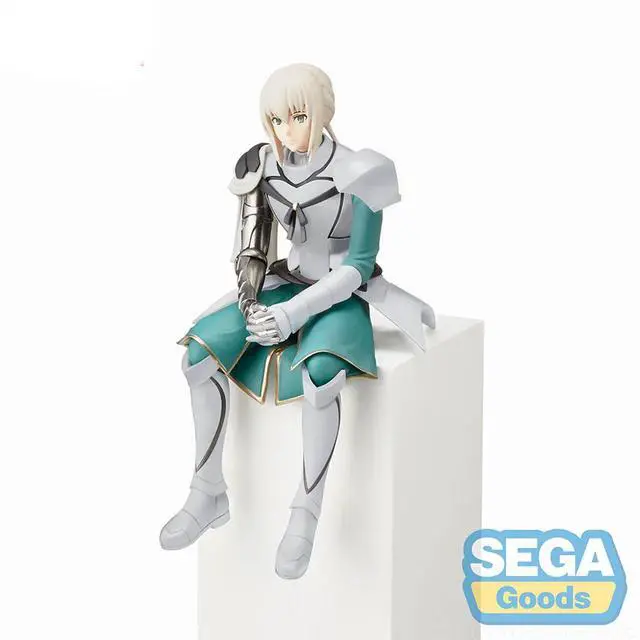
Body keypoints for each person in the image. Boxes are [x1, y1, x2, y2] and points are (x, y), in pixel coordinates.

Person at [159, 63, 435, 580]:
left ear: (323, 111)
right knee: (199, 355)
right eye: (276, 120)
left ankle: (305, 512)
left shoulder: (363, 170)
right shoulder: (260, 166)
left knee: (322, 376)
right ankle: (207, 491)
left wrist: (292, 314)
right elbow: (252, 247)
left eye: (298, 116)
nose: (287, 131)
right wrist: (251, 304)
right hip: (282, 282)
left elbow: (358, 264)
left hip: (339, 290)